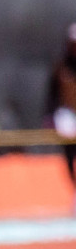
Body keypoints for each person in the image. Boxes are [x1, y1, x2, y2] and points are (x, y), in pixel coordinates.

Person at [47, 24, 76, 194]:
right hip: (67, 113)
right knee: (69, 150)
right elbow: (51, 94)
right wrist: (49, 114)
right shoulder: (61, 66)